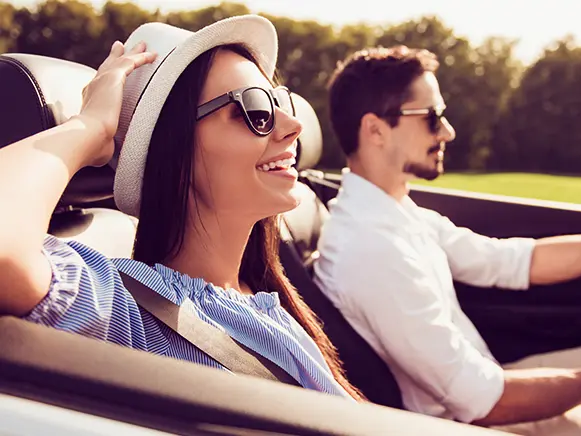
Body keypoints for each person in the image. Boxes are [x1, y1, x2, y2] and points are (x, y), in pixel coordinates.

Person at [313, 45, 581, 434]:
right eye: (432, 117)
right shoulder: (371, 248)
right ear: (375, 130)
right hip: (474, 420)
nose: (447, 131)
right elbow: (484, 403)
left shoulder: (394, 213)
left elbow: (519, 261)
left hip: (486, 385)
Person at [0, 16, 363, 401]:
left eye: (278, 102)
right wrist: (89, 127)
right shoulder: (130, 314)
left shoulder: (266, 299)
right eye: (256, 109)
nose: (293, 125)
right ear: (175, 155)